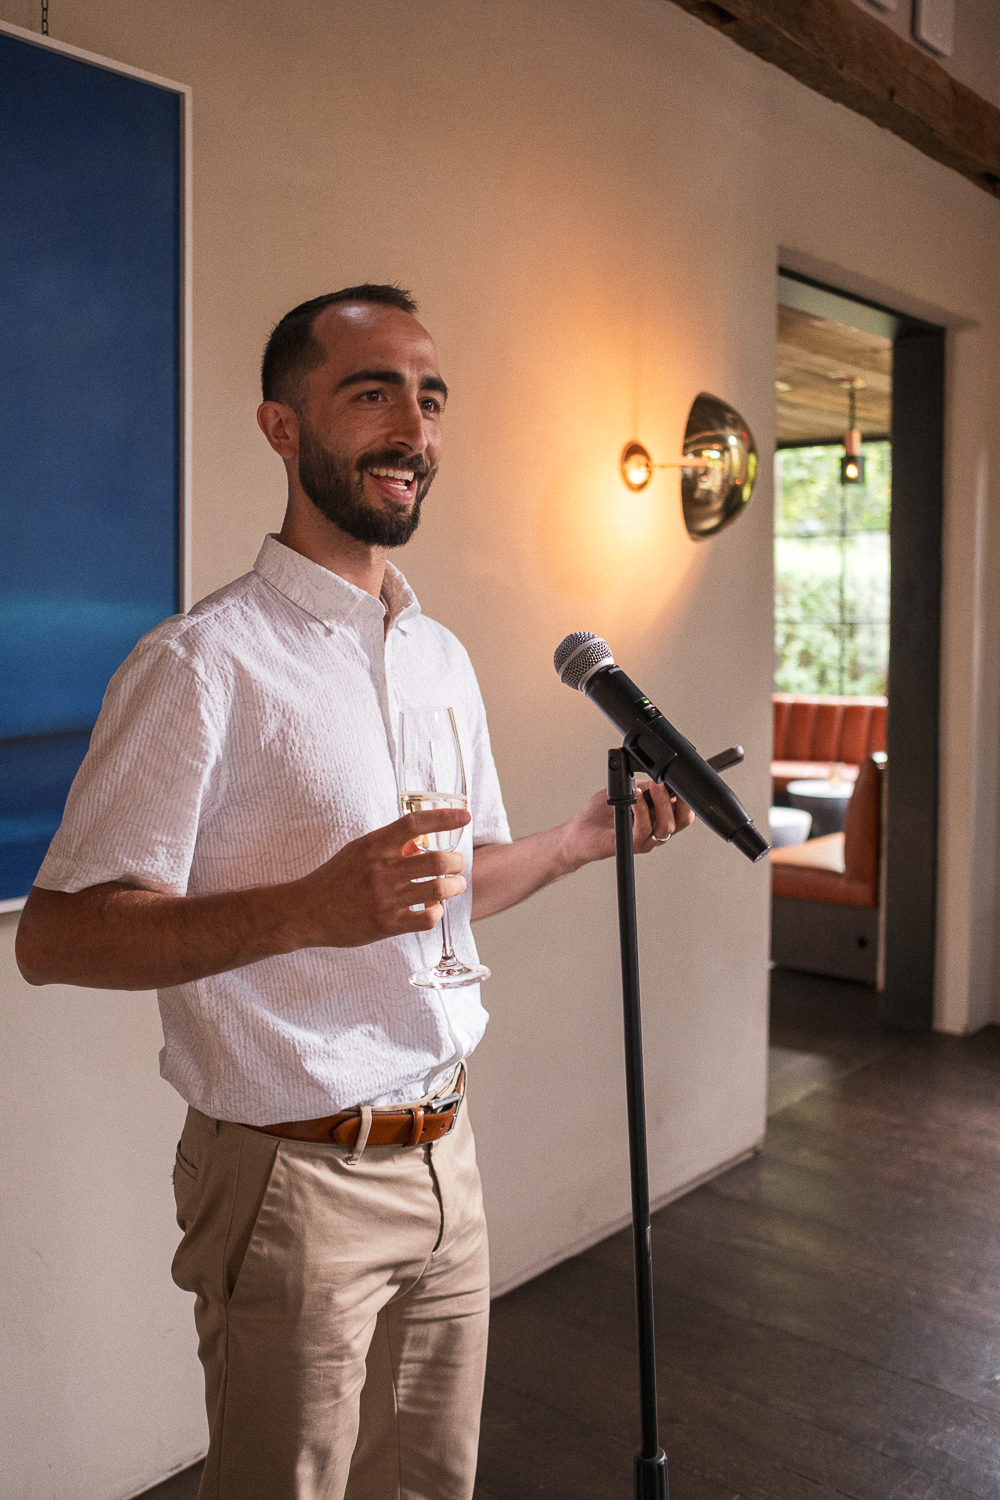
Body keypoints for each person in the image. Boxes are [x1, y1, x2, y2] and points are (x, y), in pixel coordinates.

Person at [16, 284, 693, 1500]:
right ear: (282, 427)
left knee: (431, 1487)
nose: (412, 427)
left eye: (429, 397)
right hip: (291, 1180)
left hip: (448, 1155)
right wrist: (304, 910)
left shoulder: (438, 657)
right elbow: (58, 939)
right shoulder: (200, 665)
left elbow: (440, 889)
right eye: (370, 390)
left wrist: (576, 841)